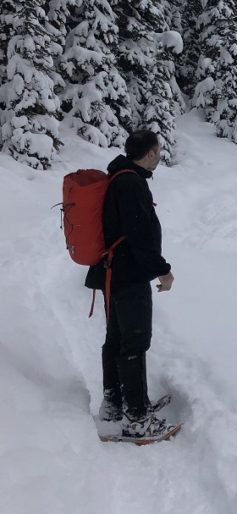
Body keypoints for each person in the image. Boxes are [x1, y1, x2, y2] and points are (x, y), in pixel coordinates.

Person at [86, 128, 176, 441]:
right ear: (150, 153)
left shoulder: (120, 177)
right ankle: (137, 419)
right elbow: (139, 237)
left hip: (114, 274)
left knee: (117, 340)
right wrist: (163, 270)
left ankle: (114, 405)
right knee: (134, 344)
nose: (160, 155)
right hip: (128, 276)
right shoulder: (131, 183)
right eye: (158, 150)